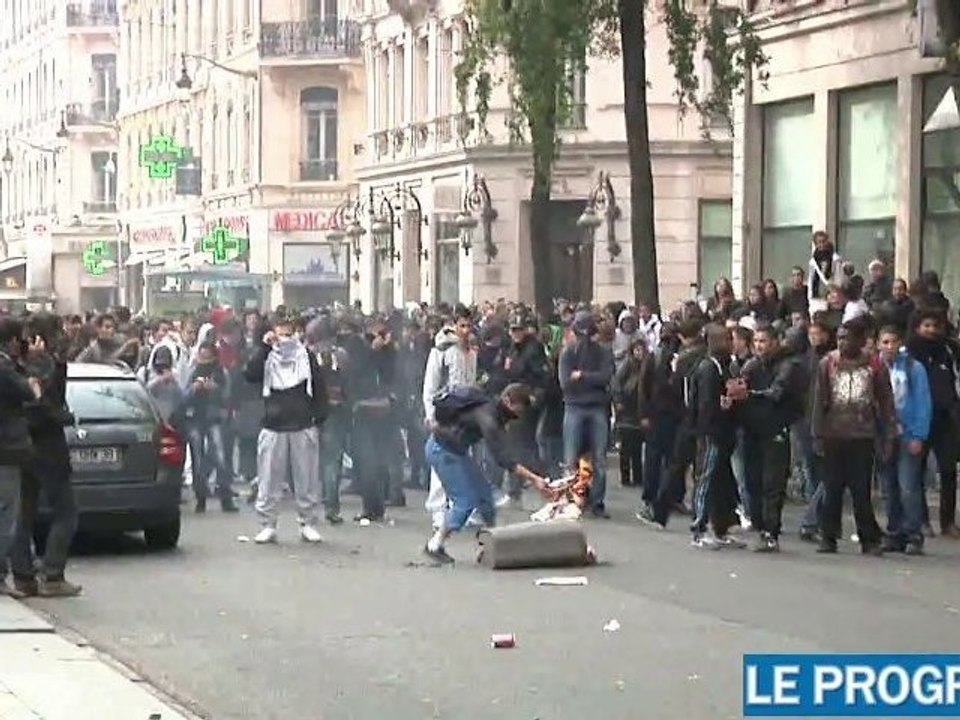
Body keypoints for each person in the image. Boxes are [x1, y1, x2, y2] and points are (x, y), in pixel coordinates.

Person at [422, 383, 549, 564]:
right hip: (442, 451)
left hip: (456, 451)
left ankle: (492, 544)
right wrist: (535, 479)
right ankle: (435, 545)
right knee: (464, 503)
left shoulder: (492, 410)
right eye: (521, 408)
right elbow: (502, 458)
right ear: (508, 401)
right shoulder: (488, 418)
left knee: (485, 495)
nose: (522, 414)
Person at [8, 313, 81, 597]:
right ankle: (53, 574)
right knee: (66, 511)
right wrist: (63, 416)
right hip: (46, 445)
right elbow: (39, 405)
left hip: (23, 446)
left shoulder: (18, 364)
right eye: (59, 330)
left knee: (23, 515)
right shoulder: (45, 364)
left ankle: (24, 576)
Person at [811, 319, 895, 555]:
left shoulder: (874, 364)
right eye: (839, 337)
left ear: (860, 340)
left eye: (848, 337)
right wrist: (817, 434)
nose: (842, 342)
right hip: (833, 434)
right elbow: (819, 401)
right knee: (832, 488)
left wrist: (888, 435)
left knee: (861, 491)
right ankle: (828, 537)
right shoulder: (828, 363)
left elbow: (886, 401)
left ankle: (868, 539)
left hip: (862, 435)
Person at [244, 317, 329, 544]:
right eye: (280, 335)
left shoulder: (306, 357)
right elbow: (250, 374)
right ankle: (267, 523)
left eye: (289, 334)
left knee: (307, 477)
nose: (285, 340)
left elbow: (319, 388)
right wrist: (263, 347)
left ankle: (308, 523)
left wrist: (319, 418)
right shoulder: (267, 356)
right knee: (269, 477)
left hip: (303, 424)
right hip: (273, 424)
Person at [877, 325, 931, 555]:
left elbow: (922, 402)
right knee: (888, 487)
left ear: (900, 343)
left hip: (908, 434)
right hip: (884, 435)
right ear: (879, 343)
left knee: (908, 486)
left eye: (893, 342)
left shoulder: (913, 367)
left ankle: (913, 533)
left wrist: (919, 434)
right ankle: (894, 531)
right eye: (885, 342)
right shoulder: (875, 367)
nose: (889, 347)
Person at [559, 312, 615, 518]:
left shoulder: (602, 352)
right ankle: (572, 498)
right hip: (574, 406)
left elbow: (605, 377)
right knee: (571, 457)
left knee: (599, 458)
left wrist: (581, 375)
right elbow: (565, 381)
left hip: (595, 407)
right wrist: (591, 379)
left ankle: (597, 501)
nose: (585, 338)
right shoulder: (568, 353)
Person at [0, 317, 40, 598]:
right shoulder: (3, 367)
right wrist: (34, 369)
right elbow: (30, 391)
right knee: (6, 518)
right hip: (6, 451)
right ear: (13, 340)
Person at [182, 342, 237, 514]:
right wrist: (194, 389)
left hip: (215, 419)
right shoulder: (194, 372)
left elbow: (228, 394)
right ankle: (201, 497)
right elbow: (184, 396)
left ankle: (225, 496)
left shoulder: (221, 372)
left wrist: (215, 389)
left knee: (219, 457)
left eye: (207, 357)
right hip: (196, 418)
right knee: (197, 459)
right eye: (201, 356)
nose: (204, 360)